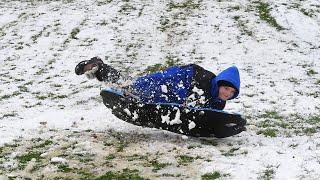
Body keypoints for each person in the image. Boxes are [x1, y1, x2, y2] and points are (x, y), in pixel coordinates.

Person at [75, 57, 246, 136]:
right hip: (164, 85)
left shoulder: (219, 103)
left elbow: (206, 115)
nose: (227, 94)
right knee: (130, 88)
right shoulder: (205, 80)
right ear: (219, 83)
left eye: (232, 93)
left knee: (129, 87)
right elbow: (193, 107)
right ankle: (99, 67)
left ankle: (100, 67)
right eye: (226, 88)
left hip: (169, 95)